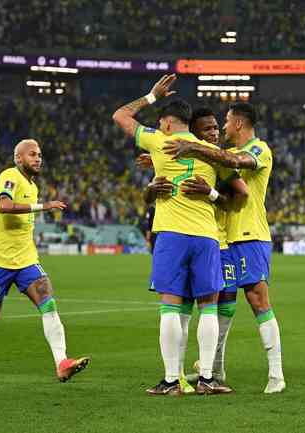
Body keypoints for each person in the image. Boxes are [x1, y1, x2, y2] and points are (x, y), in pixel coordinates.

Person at [112, 74, 230, 395]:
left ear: (166, 123)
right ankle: (206, 378)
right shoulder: (209, 149)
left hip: (171, 235)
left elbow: (121, 115)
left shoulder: (157, 141)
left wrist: (151, 96)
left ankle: (170, 380)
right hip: (206, 235)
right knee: (208, 306)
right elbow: (234, 179)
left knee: (171, 306)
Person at [164, 102, 286, 394]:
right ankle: (215, 369)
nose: (223, 128)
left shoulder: (259, 150)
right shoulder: (221, 156)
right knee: (223, 305)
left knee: (258, 300)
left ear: (239, 124)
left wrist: (193, 147)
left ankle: (276, 374)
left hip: (250, 235)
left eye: (226, 122)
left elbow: (238, 163)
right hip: (223, 239)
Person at [0, 139, 90, 383]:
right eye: (32, 154)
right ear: (18, 158)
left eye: (40, 154)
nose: (38, 158)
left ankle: (62, 362)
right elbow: (4, 206)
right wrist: (44, 206)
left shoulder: (32, 186)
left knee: (48, 302)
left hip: (26, 259)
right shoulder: (9, 176)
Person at [139, 107, 248, 392]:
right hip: (196, 238)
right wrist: (152, 185)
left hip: (203, 240)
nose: (214, 133)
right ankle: (188, 377)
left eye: (216, 127)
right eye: (208, 129)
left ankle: (188, 377)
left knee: (188, 310)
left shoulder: (215, 157)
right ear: (192, 132)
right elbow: (147, 197)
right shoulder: (178, 154)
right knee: (188, 311)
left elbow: (239, 197)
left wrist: (210, 192)